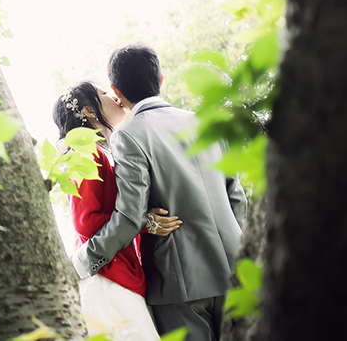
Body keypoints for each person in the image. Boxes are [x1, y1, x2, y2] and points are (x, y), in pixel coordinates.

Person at [71, 43, 247, 341]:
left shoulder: (128, 136)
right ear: (161, 79)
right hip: (236, 272)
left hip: (178, 284)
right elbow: (237, 199)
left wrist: (83, 260)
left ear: (116, 91)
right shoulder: (205, 121)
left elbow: (129, 216)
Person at [54, 80, 181, 341]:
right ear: (89, 111)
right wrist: (143, 221)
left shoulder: (105, 152)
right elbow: (85, 222)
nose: (113, 95)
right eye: (103, 93)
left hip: (121, 270)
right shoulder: (85, 151)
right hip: (106, 279)